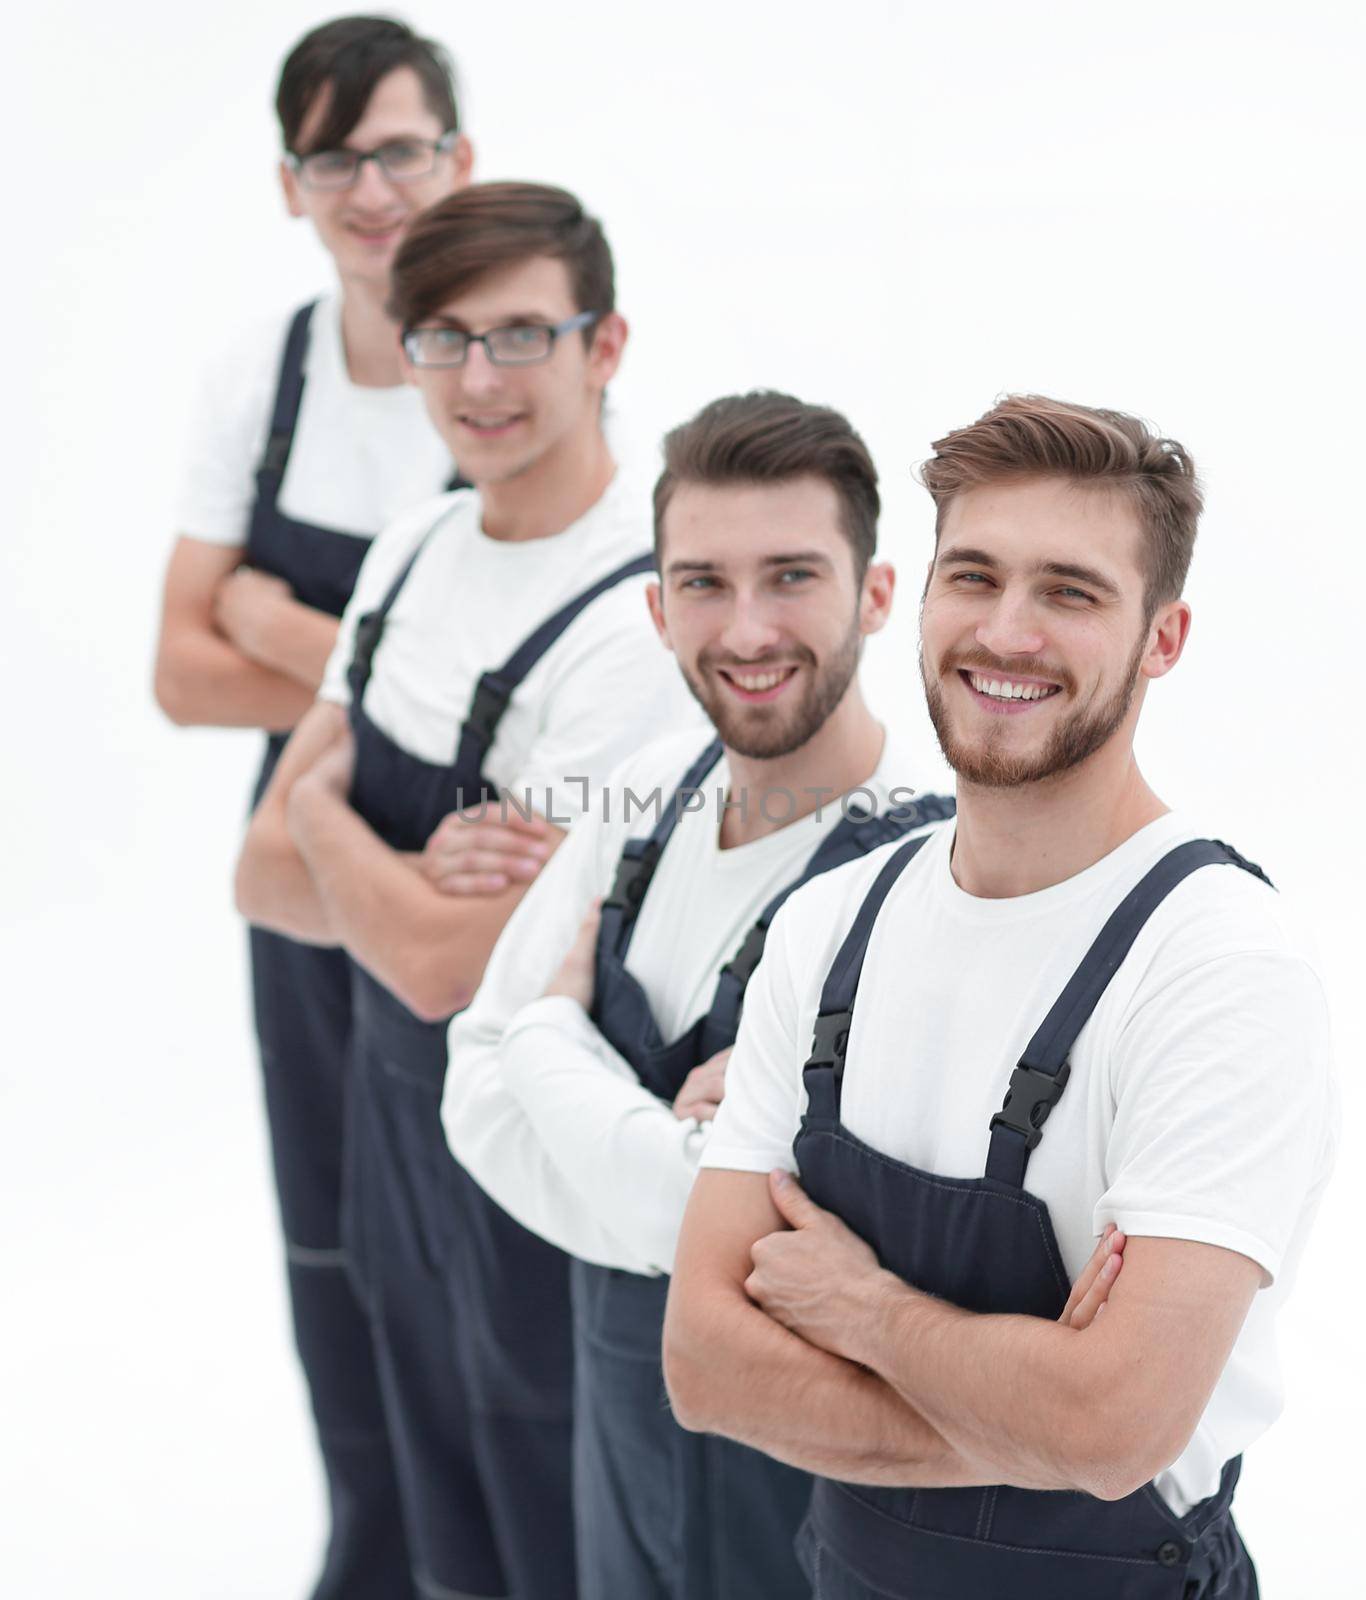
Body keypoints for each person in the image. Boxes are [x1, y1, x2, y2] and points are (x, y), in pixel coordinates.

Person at [441, 390, 1123, 1598]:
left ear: (874, 596)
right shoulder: (648, 791)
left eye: (791, 576)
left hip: (794, 1476)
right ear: (656, 609)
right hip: (617, 1422)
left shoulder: (912, 884)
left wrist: (552, 1039)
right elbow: (476, 1101)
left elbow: (735, 1241)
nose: (746, 627)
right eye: (702, 583)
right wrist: (658, 1164)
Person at [664, 394, 1336, 1599]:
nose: (1006, 632)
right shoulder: (829, 929)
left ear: (1161, 639)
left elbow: (1118, 1425)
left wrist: (862, 1313)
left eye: (1070, 592)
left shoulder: (1218, 967)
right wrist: (1039, 1420)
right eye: (972, 576)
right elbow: (707, 1365)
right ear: (918, 603)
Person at [236, 180, 697, 1600]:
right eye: (442, 340)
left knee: (554, 1530)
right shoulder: (413, 551)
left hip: (532, 1175)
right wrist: (351, 848)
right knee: (429, 1510)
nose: (478, 381)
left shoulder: (643, 613)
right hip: (388, 1141)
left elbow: (449, 969)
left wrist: (320, 808)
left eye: (518, 336)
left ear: (602, 346)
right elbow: (256, 876)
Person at [152, 18, 472, 1598]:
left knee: (471, 1245)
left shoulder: (499, 372)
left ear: (458, 160)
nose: (373, 187)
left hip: (477, 866)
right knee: (334, 1243)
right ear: (291, 184)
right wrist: (369, 663)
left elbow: (509, 680)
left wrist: (279, 624)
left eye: (401, 147)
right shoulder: (259, 375)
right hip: (299, 861)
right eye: (335, 157)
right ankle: (374, 1559)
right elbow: (175, 671)